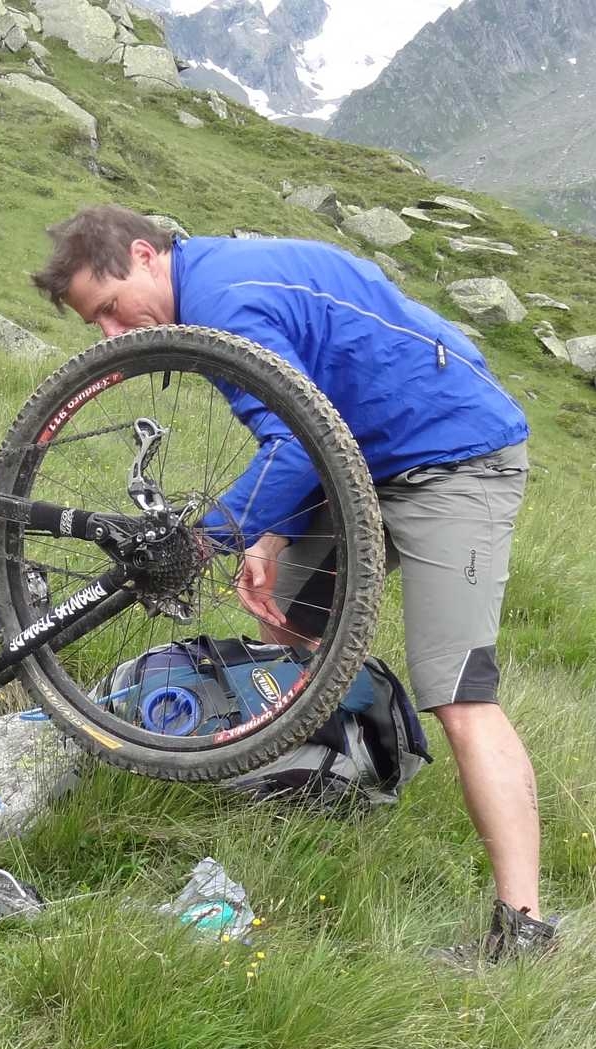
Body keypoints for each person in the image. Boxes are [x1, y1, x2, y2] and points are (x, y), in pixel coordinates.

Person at [30, 205, 557, 964]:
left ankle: (525, 928)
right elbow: (309, 422)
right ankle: (325, 783)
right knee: (286, 612)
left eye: (112, 308)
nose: (115, 335)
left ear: (145, 254)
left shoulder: (224, 301)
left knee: (460, 696)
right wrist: (270, 533)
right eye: (97, 325)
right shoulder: (204, 291)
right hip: (362, 459)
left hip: (453, 459)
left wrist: (203, 541)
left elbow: (295, 443)